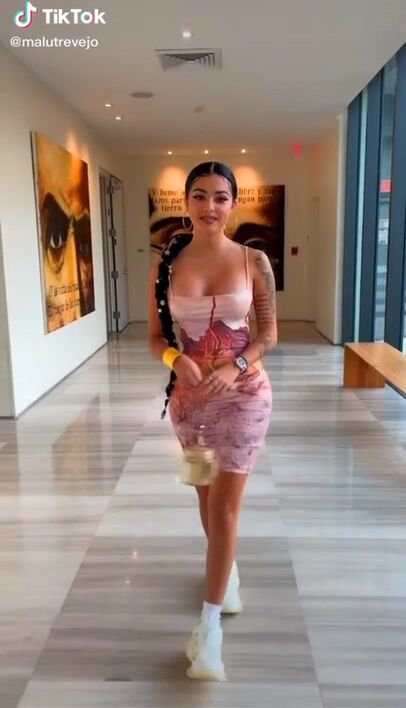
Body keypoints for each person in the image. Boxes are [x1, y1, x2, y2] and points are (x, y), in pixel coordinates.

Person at [148, 161, 277, 681]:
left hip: (245, 397)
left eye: (220, 197)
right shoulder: (167, 265)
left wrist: (236, 365)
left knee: (224, 508)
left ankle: (209, 630)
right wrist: (174, 359)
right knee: (204, 500)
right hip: (189, 407)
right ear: (186, 202)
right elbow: (155, 337)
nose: (209, 206)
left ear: (233, 204)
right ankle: (229, 571)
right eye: (199, 196)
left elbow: (269, 334)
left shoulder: (253, 260)